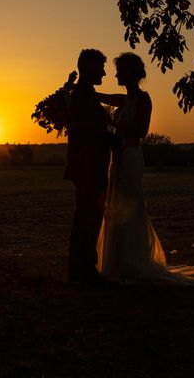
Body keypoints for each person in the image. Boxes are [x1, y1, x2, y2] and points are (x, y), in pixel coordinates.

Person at [95, 52, 194, 285]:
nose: (116, 74)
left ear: (131, 73)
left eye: (120, 70)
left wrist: (111, 122)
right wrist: (84, 92)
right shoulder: (124, 99)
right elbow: (104, 97)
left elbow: (140, 132)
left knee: (131, 206)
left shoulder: (143, 99)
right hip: (117, 160)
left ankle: (133, 260)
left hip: (131, 158)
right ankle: (117, 261)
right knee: (116, 206)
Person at [64, 49, 122, 286]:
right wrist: (116, 140)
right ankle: (84, 272)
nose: (105, 72)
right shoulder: (83, 95)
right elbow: (90, 132)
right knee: (88, 219)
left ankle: (80, 271)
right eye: (101, 67)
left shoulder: (85, 93)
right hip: (89, 166)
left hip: (88, 165)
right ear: (88, 67)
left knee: (86, 218)